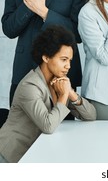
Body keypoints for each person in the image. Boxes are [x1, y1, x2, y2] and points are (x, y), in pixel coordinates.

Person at [1, 0, 88, 107]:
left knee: (64, 130)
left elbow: (78, 34)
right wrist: (30, 2)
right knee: (22, 130)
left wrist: (44, 12)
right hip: (25, 70)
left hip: (61, 75)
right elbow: (9, 29)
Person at [0, 25, 96, 163]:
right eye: (63, 60)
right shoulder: (30, 86)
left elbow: (91, 115)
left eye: (70, 60)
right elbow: (48, 126)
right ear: (45, 57)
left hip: (36, 152)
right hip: (11, 157)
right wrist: (63, 96)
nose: (68, 66)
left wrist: (71, 94)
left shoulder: (59, 82)